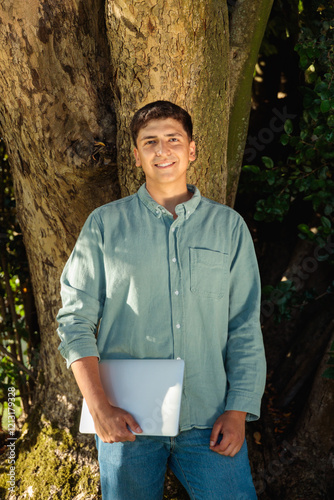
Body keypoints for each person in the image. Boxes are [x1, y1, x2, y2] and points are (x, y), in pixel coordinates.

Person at [57, 100, 266, 499]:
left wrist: (238, 410)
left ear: (191, 150)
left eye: (173, 139)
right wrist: (100, 409)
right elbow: (74, 321)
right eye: (149, 142)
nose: (162, 149)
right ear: (136, 156)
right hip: (126, 422)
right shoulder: (105, 224)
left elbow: (243, 324)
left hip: (210, 420)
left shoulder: (228, 228)